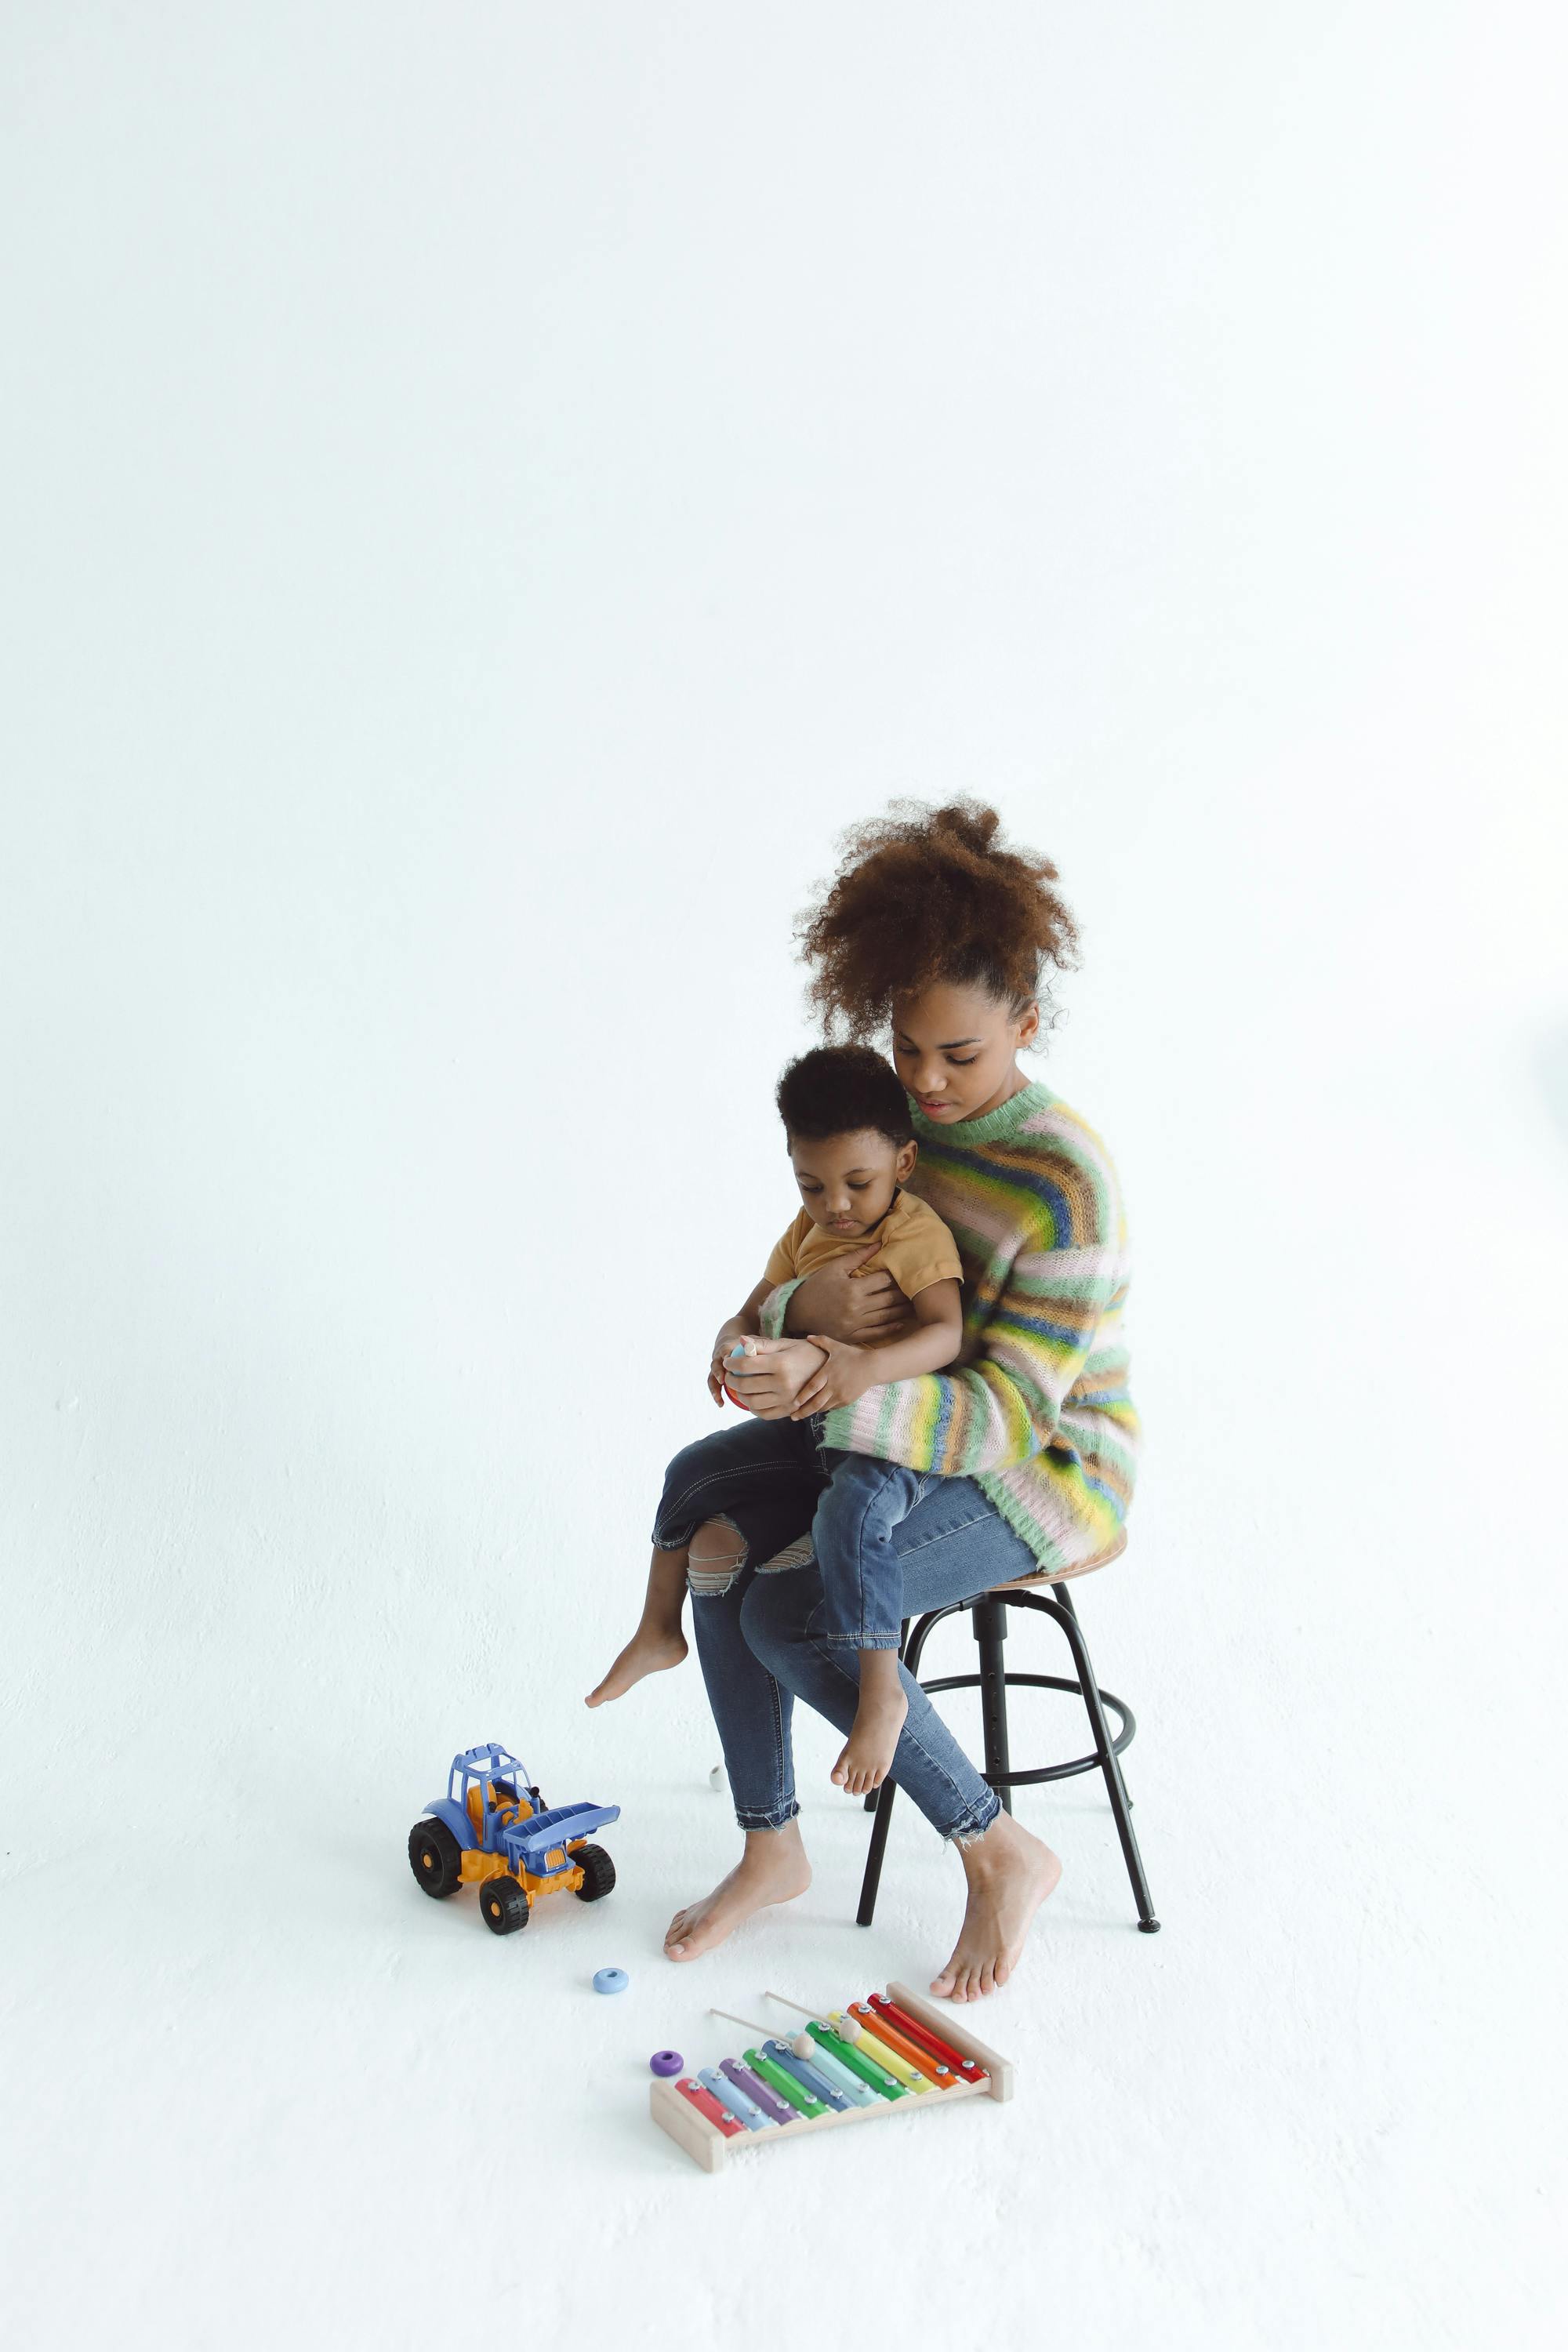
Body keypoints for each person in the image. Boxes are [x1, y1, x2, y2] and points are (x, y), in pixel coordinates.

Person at [604, 798, 1140, 2003]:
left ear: (1028, 1025)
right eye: (909, 1052)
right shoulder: (901, 1129)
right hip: (888, 1437)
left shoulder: (1069, 1185)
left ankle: (999, 1849)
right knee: (721, 1537)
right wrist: (770, 1329)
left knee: (786, 1620)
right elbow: (817, 1250)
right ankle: (770, 1844)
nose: (930, 1086)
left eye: (964, 1056)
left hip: (1039, 1465)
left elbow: (1005, 1409)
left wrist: (829, 1388)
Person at [587, 1043, 966, 1796]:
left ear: (904, 1163)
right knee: (694, 1470)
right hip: (815, 1432)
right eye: (812, 1183)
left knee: (852, 1517)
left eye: (858, 1183)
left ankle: (879, 1685)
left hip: (890, 1443)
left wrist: (863, 1365)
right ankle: (660, 1626)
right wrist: (730, 1342)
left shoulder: (913, 1234)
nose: (837, 1205)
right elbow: (758, 1304)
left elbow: (947, 1333)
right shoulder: (808, 1229)